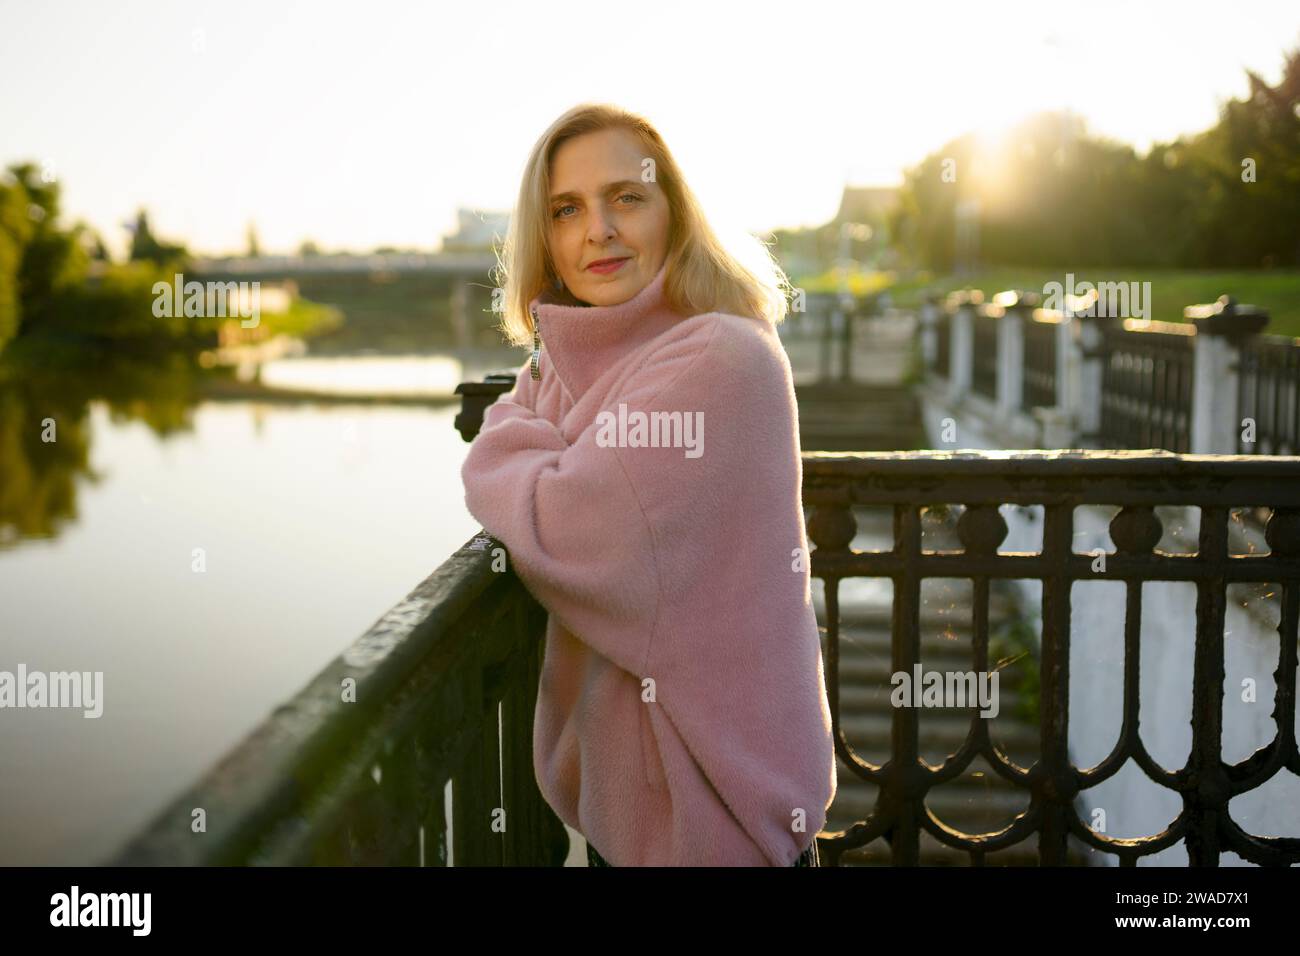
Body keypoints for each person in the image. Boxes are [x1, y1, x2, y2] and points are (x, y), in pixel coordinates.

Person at [461, 103, 836, 866]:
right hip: (639, 825)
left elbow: (558, 519)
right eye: (566, 209)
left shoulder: (715, 358)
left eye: (626, 196)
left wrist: (517, 433)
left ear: (674, 211)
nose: (597, 228)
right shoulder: (595, 361)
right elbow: (526, 426)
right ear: (547, 239)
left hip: (711, 829)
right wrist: (531, 419)